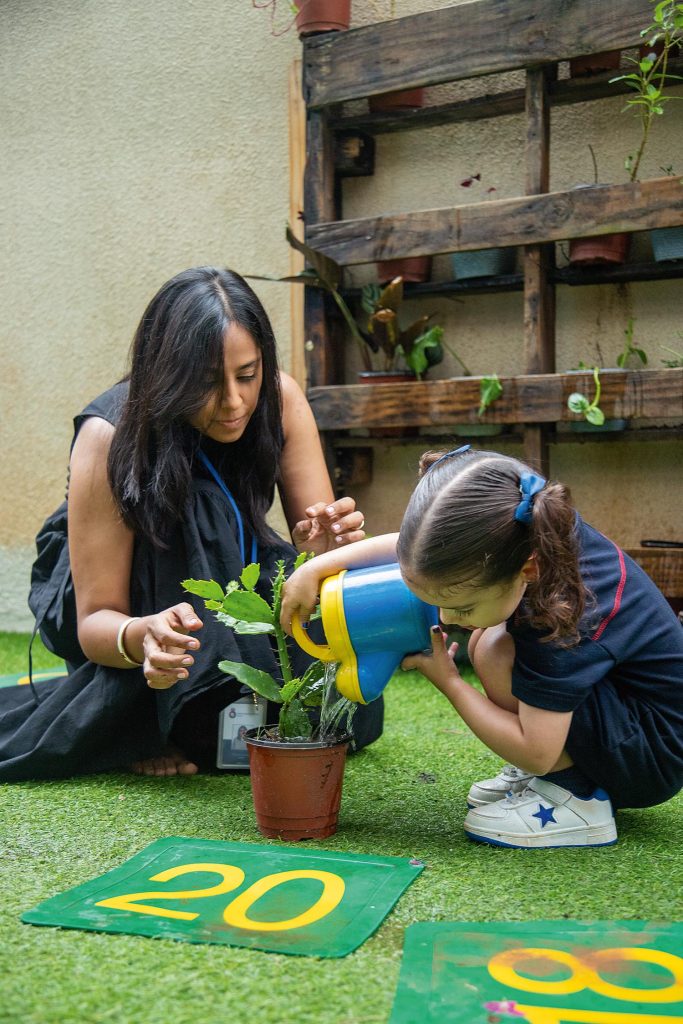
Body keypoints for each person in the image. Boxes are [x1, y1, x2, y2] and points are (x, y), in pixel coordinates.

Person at [1, 266, 383, 780]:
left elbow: (317, 556)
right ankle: (149, 715)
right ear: (166, 374)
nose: (233, 401)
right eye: (206, 383)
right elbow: (94, 623)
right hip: (129, 595)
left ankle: (178, 714)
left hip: (228, 572)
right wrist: (145, 636)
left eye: (247, 375)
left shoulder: (280, 397)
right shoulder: (108, 435)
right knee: (201, 512)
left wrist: (322, 550)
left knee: (340, 707)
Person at [281, 445, 683, 849]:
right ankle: (571, 774)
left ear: (528, 569)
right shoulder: (524, 530)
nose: (448, 619)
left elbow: (536, 750)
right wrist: (317, 568)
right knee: (488, 639)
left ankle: (576, 798)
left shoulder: (562, 613)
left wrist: (450, 682)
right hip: (629, 712)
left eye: (463, 605)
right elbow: (411, 545)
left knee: (494, 649)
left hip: (653, 753)